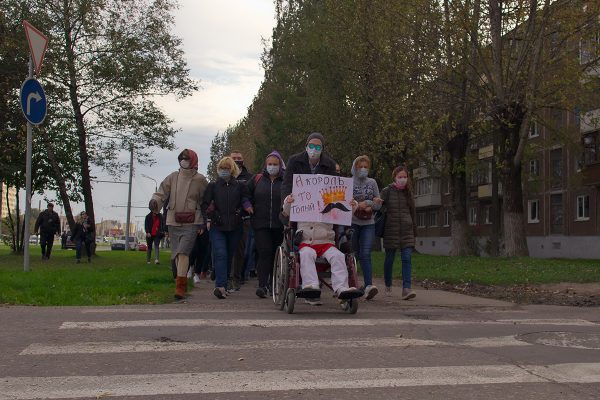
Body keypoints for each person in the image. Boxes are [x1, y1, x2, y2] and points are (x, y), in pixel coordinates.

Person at [149, 149, 209, 300]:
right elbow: (162, 192)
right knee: (176, 254)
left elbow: (205, 202)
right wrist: (155, 201)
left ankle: (180, 288)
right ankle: (179, 278)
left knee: (183, 252)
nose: (184, 161)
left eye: (187, 159)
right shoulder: (172, 177)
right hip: (173, 221)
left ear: (193, 161)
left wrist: (203, 222)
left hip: (192, 222)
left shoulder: (200, 180)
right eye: (181, 159)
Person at [282, 194, 361, 305]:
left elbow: (345, 213)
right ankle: (311, 285)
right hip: (306, 241)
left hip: (326, 241)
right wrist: (288, 201)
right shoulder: (300, 197)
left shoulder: (331, 199)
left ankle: (341, 288)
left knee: (338, 256)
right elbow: (286, 211)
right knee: (306, 254)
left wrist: (352, 205)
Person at [202, 156, 253, 299]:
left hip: (235, 227)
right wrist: (209, 217)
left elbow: (245, 200)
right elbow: (205, 204)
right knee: (220, 254)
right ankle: (220, 286)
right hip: (217, 227)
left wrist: (245, 210)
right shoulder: (213, 186)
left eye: (227, 168)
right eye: (221, 168)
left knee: (229, 256)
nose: (224, 171)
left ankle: (225, 282)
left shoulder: (240, 186)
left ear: (232, 170)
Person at [247, 151, 285, 298]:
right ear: (265, 165)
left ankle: (272, 282)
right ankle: (262, 285)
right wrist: (247, 204)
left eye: (275, 164)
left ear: (280, 165)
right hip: (260, 224)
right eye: (270, 164)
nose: (272, 167)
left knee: (276, 254)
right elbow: (245, 193)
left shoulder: (285, 181)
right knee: (264, 253)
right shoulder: (257, 180)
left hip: (279, 224)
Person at [380, 166, 417, 300]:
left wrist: (414, 231)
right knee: (389, 259)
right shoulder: (387, 191)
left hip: (406, 230)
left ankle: (406, 289)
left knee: (406, 258)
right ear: (394, 177)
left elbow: (413, 212)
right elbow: (379, 208)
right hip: (391, 230)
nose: (402, 179)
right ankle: (388, 284)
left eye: (405, 177)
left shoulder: (408, 193)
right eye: (400, 177)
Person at [350, 155, 383, 300]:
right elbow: (346, 203)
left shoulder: (373, 182)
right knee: (352, 254)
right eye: (360, 167)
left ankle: (369, 285)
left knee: (366, 253)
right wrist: (358, 205)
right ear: (355, 168)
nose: (363, 169)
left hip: (368, 223)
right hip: (353, 222)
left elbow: (378, 203)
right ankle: (350, 284)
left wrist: (369, 204)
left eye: (366, 167)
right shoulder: (349, 182)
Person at [281, 132, 337, 200]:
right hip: (299, 203)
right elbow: (287, 184)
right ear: (306, 147)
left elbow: (332, 188)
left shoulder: (330, 165)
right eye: (311, 146)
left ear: (322, 149)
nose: (314, 149)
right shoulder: (293, 161)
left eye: (318, 147)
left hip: (320, 204)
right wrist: (287, 198)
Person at [230, 150, 253, 290]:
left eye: (239, 158)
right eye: (234, 158)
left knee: (240, 251)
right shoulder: (222, 177)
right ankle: (224, 276)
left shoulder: (250, 177)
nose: (237, 160)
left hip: (243, 219)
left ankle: (237, 277)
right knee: (224, 250)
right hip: (224, 219)